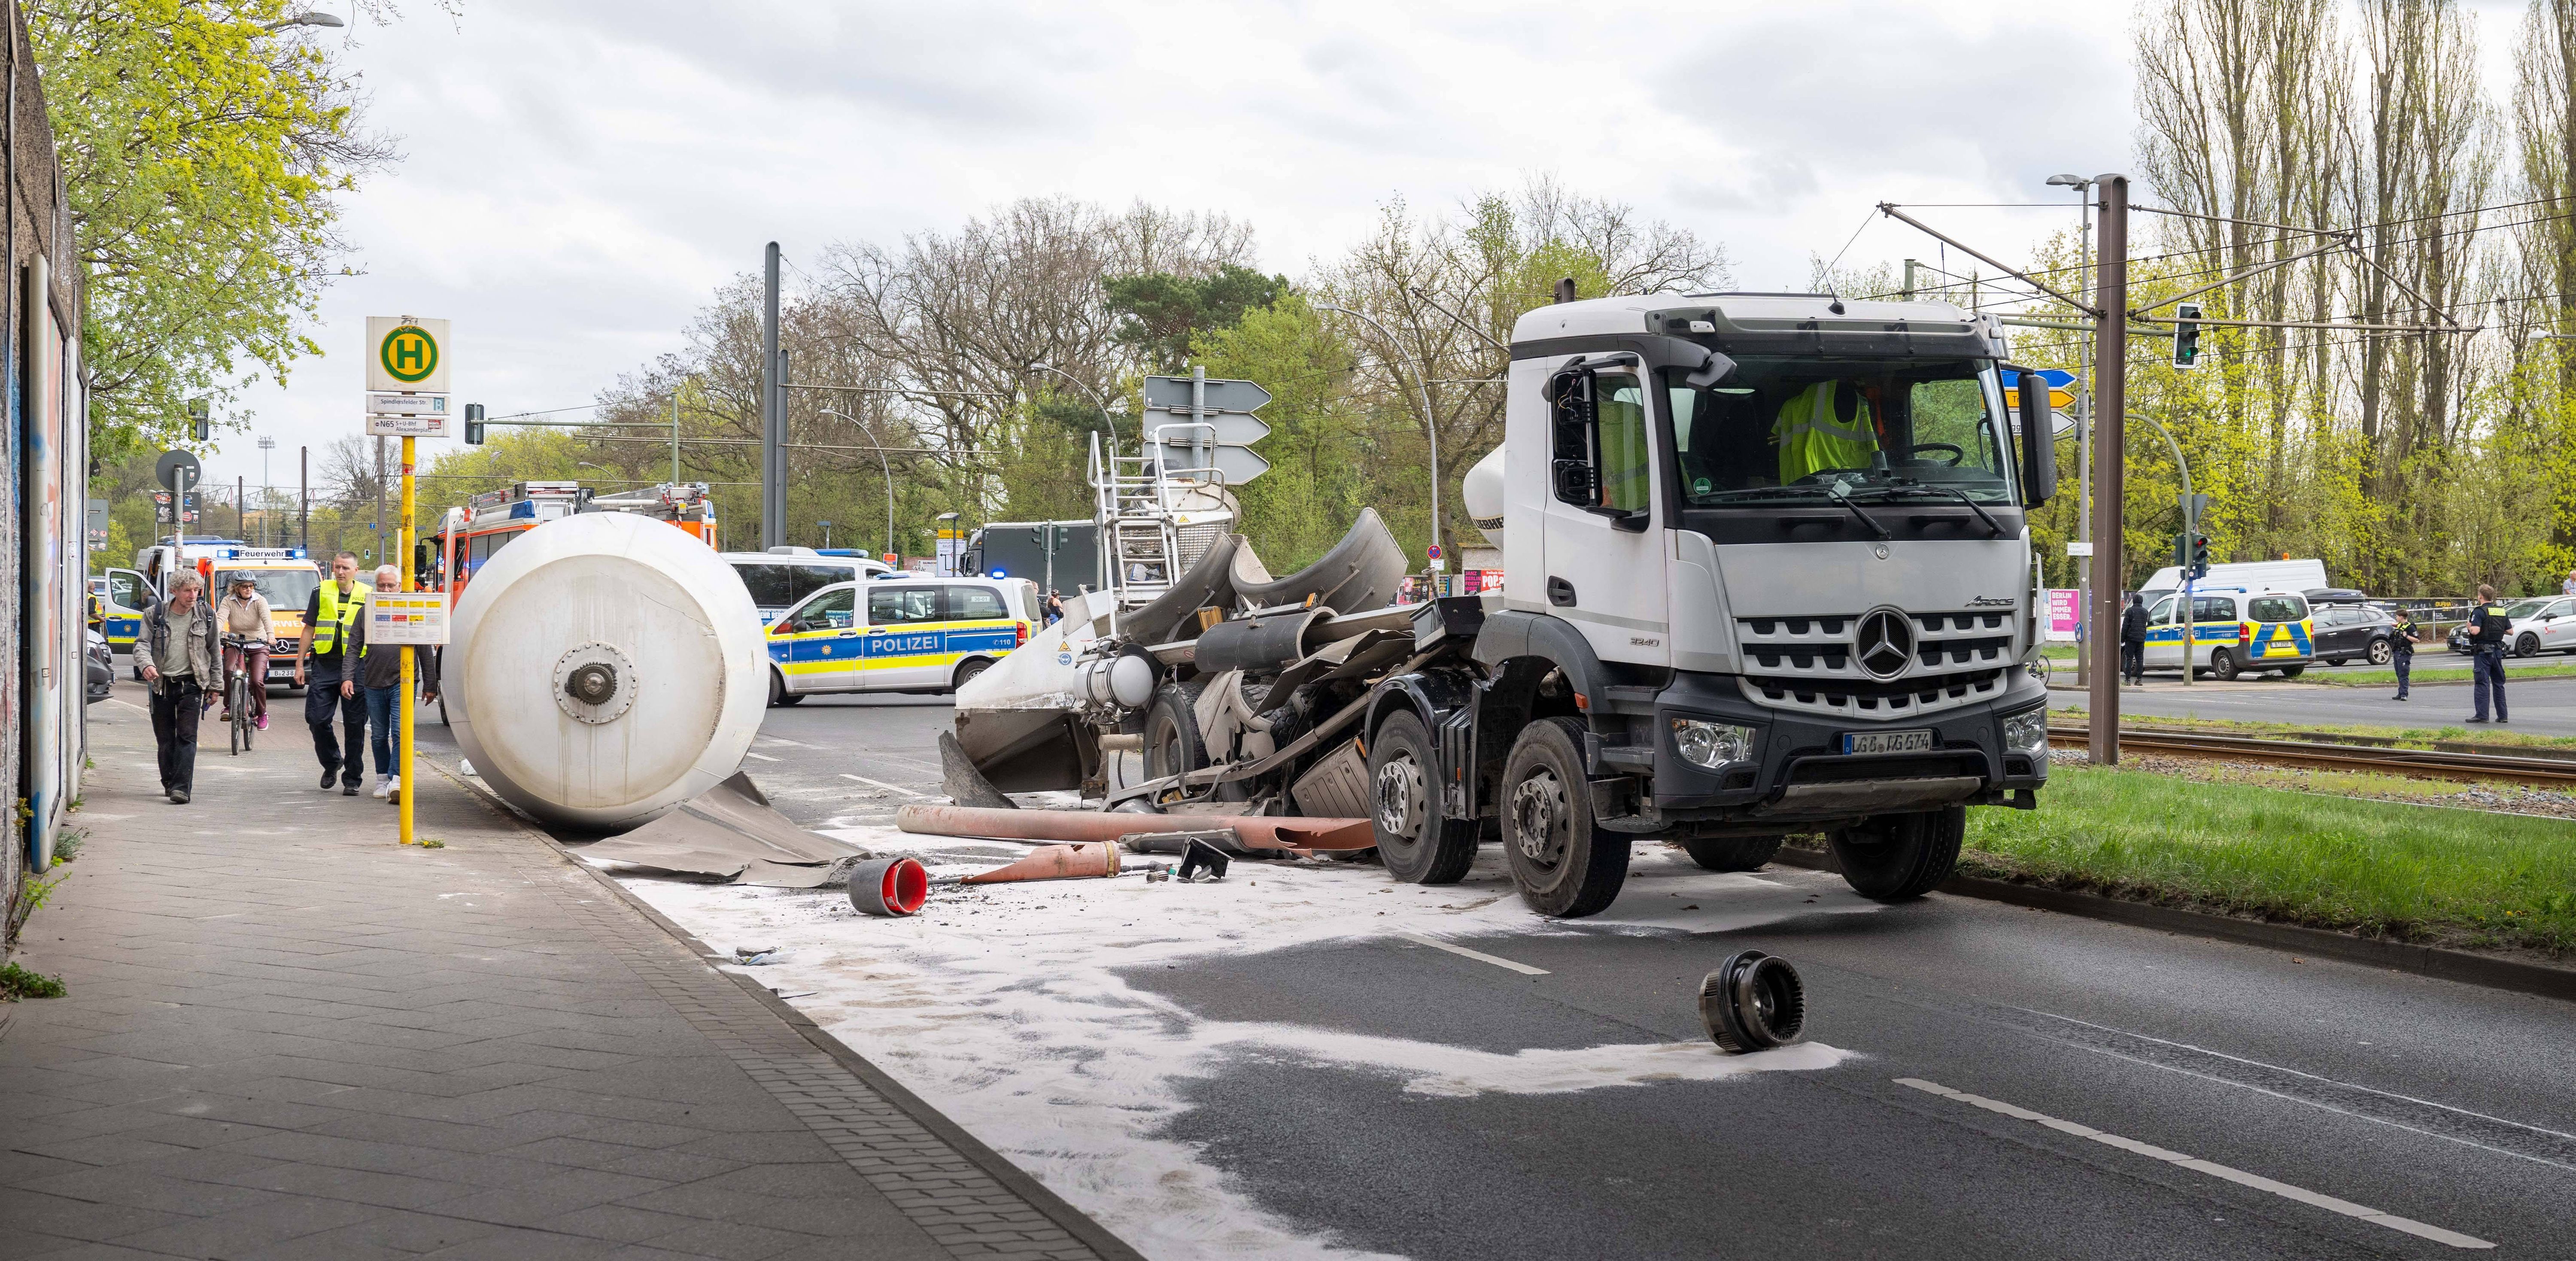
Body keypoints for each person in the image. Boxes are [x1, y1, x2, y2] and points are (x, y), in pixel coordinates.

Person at [355, 565, 440, 802]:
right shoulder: (367, 611)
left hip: (403, 681)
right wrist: (348, 677)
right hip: (373, 681)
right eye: (381, 586)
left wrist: (430, 684)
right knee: (379, 735)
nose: (386, 590)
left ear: (400, 586)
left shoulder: (411, 609)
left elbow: (425, 648)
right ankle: (383, 779)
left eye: (391, 586)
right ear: (375, 586)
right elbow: (354, 646)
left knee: (401, 732)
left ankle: (397, 779)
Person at [294, 552, 373, 794]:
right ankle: (332, 762)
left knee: (355, 725)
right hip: (325, 664)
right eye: (337, 567)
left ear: (356, 570)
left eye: (345, 568)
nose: (340, 572)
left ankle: (352, 779)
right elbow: (309, 629)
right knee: (316, 719)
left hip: (357, 666)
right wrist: (299, 664)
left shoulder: (369, 595)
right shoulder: (320, 592)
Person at [140, 572, 217, 804]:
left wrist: (216, 686)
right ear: (174, 591)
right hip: (161, 685)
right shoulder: (155, 614)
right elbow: (142, 644)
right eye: (187, 591)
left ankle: (181, 788)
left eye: (196, 590)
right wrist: (146, 664)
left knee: (187, 737)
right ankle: (169, 782)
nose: (193, 595)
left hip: (192, 684)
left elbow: (214, 651)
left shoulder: (206, 615)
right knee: (165, 740)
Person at [1771, 379, 1880, 483]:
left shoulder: (1792, 407)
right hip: (1807, 490)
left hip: (1860, 488)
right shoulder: (1863, 406)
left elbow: (1773, 440)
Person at [214, 574, 273, 730]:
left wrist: (271, 636)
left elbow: (267, 619)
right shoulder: (228, 601)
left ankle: (262, 714)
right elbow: (220, 619)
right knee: (229, 671)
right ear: (236, 588)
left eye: (251, 586)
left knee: (256, 681)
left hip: (258, 644)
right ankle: (229, 706)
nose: (249, 589)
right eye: (245, 586)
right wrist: (216, 633)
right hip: (236, 644)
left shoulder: (260, 601)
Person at [2466, 584, 2511, 724]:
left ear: (2480, 596)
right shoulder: (2501, 611)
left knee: (2482, 682)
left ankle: (2482, 716)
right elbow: (2510, 631)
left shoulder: (2479, 611)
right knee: (2498, 683)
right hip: (2498, 651)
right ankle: (2503, 716)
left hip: (2483, 653)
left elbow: (2476, 631)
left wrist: (2470, 627)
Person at [2389, 605, 2420, 701]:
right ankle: (2400, 693)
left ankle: (2404, 694)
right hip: (2397, 652)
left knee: (2404, 674)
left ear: (2401, 617)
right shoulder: (2400, 626)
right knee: (2399, 674)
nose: (2396, 617)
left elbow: (2417, 640)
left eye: (2397, 616)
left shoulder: (2410, 627)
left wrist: (2406, 636)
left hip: (2404, 653)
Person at [2118, 592, 2149, 685]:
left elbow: (2125, 626)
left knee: (2129, 659)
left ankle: (2128, 680)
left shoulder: (2130, 611)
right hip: (2141, 638)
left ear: (2134, 601)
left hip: (2131, 639)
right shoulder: (2145, 612)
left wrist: (2122, 639)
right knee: (2140, 659)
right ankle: (2139, 679)